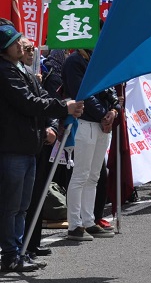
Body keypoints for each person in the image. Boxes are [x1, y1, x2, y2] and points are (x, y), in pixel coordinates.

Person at [0, 25, 83, 272]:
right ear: (5, 48)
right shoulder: (5, 72)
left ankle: (20, 251)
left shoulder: (20, 69)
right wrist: (63, 107)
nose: (22, 46)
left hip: (28, 145)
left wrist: (51, 120)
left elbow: (38, 98)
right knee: (12, 205)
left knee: (23, 204)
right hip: (13, 146)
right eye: (16, 42)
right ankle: (11, 254)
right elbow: (28, 102)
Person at [61, 47, 120, 241]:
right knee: (80, 175)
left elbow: (109, 88)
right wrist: (104, 114)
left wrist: (114, 109)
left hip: (100, 124)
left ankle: (88, 220)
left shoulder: (98, 60)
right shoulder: (74, 61)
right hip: (84, 123)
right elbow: (83, 93)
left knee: (94, 175)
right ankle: (74, 225)